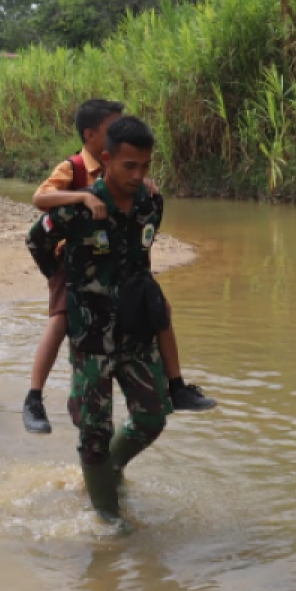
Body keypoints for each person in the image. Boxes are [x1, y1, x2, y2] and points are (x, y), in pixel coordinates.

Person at [21, 99, 216, 435]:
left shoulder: (140, 188)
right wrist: (80, 199)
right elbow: (41, 202)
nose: (138, 174)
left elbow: (142, 234)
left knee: (160, 308)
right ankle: (34, 396)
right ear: (93, 136)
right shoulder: (74, 168)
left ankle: (177, 385)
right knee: (61, 320)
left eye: (144, 167)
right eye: (112, 129)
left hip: (119, 264)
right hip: (74, 261)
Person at [26, 115, 171, 522]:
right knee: (94, 431)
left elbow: (140, 252)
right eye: (130, 166)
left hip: (136, 328)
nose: (138, 175)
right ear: (106, 159)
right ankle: (108, 518)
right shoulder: (80, 207)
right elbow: (37, 240)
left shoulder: (151, 201)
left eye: (145, 166)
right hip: (91, 333)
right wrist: (67, 282)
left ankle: (112, 467)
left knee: (152, 416)